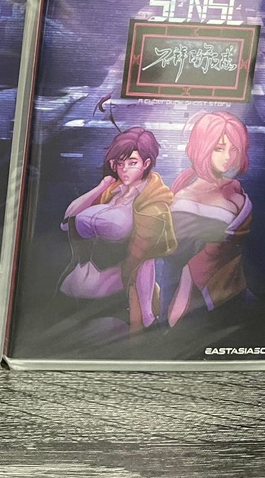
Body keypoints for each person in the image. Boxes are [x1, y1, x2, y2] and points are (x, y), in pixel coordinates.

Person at [59, 126, 175, 331]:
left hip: (109, 301)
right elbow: (67, 220)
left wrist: (146, 315)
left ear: (146, 163)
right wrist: (102, 186)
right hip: (67, 292)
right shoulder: (112, 191)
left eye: (132, 163)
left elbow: (145, 262)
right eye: (120, 163)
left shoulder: (153, 205)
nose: (124, 169)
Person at [165, 112, 251, 326]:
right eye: (219, 148)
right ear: (203, 147)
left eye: (234, 149)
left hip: (232, 290)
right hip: (192, 295)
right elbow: (176, 256)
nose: (228, 157)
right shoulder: (183, 197)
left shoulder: (235, 192)